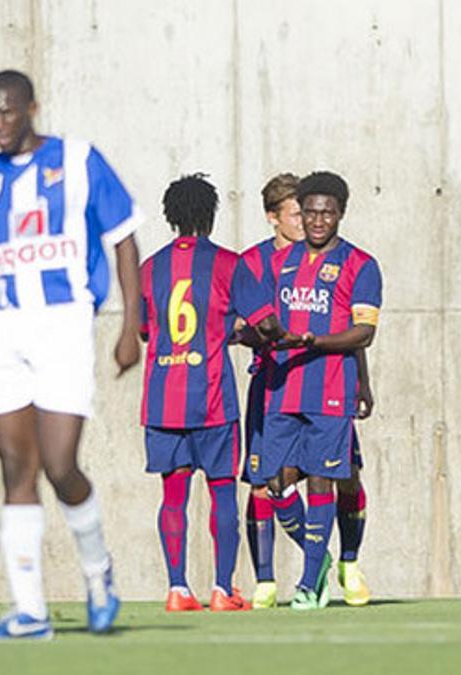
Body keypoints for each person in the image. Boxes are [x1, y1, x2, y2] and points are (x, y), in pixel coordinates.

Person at [0, 69, 142, 640]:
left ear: (31, 107)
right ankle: (30, 611)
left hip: (63, 323)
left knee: (60, 467)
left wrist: (131, 324)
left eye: (8, 112)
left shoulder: (79, 161)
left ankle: (97, 572)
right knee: (16, 468)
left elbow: (124, 239)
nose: (0, 123)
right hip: (5, 329)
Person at [140, 174, 282, 613]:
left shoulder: (150, 268)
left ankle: (178, 588)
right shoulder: (230, 264)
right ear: (210, 214)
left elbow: (147, 330)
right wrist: (249, 334)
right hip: (213, 398)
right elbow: (266, 323)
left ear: (170, 216)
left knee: (174, 495)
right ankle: (223, 589)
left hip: (163, 398)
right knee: (222, 492)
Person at [255, 171, 382, 610]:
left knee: (324, 480)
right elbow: (265, 320)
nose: (318, 220)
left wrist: (321, 347)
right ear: (300, 212)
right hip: (282, 387)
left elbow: (362, 332)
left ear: (340, 214)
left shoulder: (361, 265)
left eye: (327, 212)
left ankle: (309, 583)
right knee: (275, 483)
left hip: (331, 389)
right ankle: (322, 561)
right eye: (310, 211)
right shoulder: (279, 263)